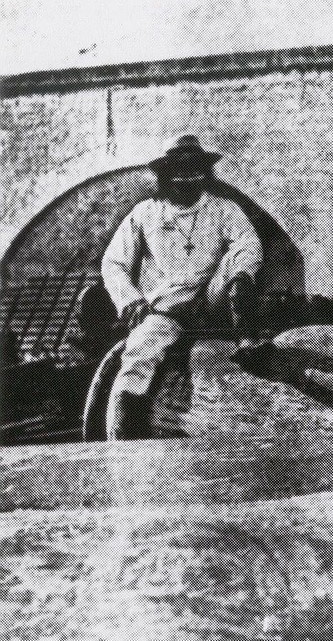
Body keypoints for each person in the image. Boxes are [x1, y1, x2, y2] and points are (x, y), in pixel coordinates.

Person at [101, 135, 263, 439]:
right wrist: (130, 300)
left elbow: (248, 241)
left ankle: (248, 337)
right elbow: (114, 263)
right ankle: (121, 435)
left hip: (214, 298)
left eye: (194, 172)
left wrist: (241, 274)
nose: (187, 180)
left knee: (238, 263)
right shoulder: (145, 214)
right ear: (165, 175)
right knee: (139, 351)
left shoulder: (222, 209)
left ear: (203, 173)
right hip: (168, 308)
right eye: (179, 172)